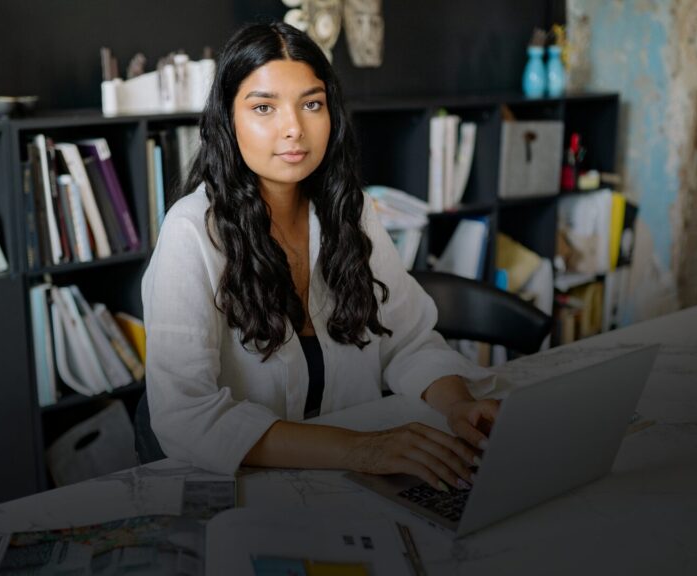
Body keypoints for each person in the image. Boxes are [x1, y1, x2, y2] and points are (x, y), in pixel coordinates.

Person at [141, 21, 500, 492]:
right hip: (251, 489)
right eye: (264, 107)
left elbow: (407, 341)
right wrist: (363, 449)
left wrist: (456, 406)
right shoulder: (191, 231)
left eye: (311, 104)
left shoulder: (349, 211)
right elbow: (185, 414)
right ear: (228, 120)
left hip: (351, 483)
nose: (294, 129)